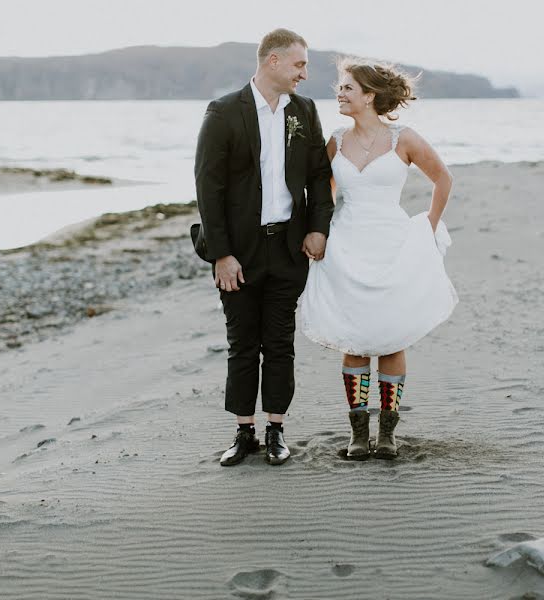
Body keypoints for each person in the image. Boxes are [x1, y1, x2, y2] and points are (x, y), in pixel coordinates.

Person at [299, 59, 458, 460]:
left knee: (391, 337)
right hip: (347, 247)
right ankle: (357, 432)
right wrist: (319, 230)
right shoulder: (335, 140)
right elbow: (324, 193)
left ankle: (387, 433)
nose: (339, 93)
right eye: (340, 87)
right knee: (354, 338)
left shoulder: (403, 138)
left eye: (348, 88)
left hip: (392, 244)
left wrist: (428, 227)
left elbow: (443, 179)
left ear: (369, 96)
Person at [192, 29, 334, 466]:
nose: (304, 74)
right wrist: (221, 253)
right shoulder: (224, 112)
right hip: (239, 253)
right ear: (272, 61)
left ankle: (276, 430)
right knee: (241, 344)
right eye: (299, 65)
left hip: (289, 247)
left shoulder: (304, 111)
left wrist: (318, 228)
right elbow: (208, 186)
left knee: (279, 343)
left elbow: (317, 174)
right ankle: (243, 432)